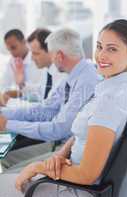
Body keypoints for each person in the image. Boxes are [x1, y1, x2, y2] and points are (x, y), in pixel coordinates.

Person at [0, 19, 127, 197]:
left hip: (74, 188)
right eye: (99, 46)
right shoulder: (110, 85)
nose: (100, 55)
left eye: (112, 49)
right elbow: (50, 111)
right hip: (67, 165)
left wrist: (37, 167)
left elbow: (87, 173)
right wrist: (61, 153)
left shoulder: (109, 98)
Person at [0, 28, 98, 168]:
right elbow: (46, 109)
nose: (51, 60)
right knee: (5, 157)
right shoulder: (71, 76)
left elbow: (59, 129)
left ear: (59, 56)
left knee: (9, 164)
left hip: (68, 152)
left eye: (51, 55)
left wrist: (7, 124)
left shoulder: (86, 81)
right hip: (59, 144)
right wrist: (4, 114)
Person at [7, 28, 67, 150]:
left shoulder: (62, 76)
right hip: (41, 127)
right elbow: (38, 94)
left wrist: (9, 117)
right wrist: (21, 83)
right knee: (7, 140)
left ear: (51, 52)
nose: (32, 58)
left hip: (51, 135)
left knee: (9, 149)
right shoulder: (48, 72)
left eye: (36, 53)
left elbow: (46, 112)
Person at [0, 29, 44, 105]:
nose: (12, 53)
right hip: (21, 104)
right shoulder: (12, 62)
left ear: (24, 42)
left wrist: (21, 90)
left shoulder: (38, 59)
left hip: (36, 104)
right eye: (9, 50)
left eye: (13, 47)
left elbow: (41, 92)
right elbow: (3, 85)